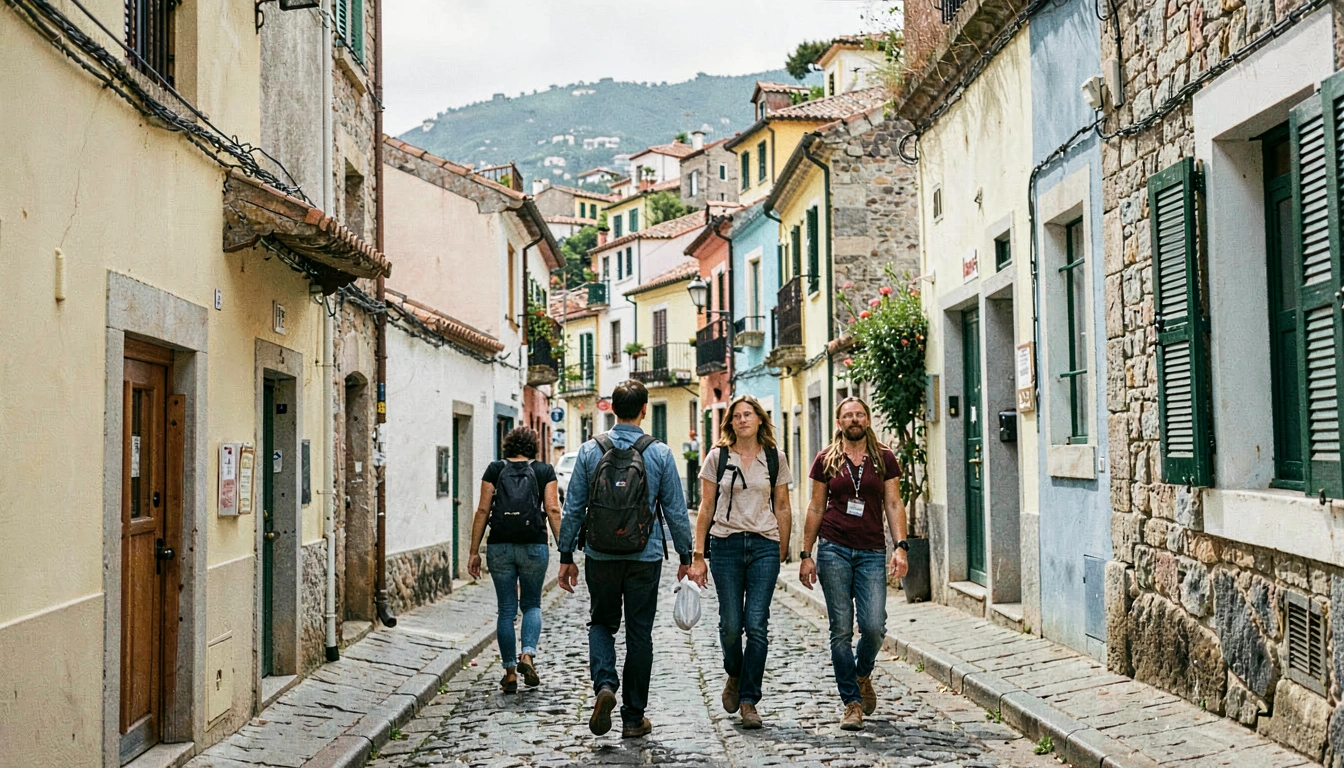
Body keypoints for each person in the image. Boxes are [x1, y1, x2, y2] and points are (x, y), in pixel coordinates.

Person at [557, 380, 694, 739]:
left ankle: (605, 683)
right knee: (639, 633)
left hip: (600, 554)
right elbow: (676, 510)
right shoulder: (659, 453)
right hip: (644, 555)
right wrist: (686, 555)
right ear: (644, 410)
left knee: (601, 623)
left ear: (612, 409)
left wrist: (566, 554)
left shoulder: (590, 450)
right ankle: (633, 718)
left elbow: (573, 508)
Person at [798, 396, 909, 731]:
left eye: (859, 414)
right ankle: (852, 703)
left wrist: (900, 547)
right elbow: (816, 507)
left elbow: (893, 502)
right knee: (841, 630)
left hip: (872, 551)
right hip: (834, 548)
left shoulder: (884, 458)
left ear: (868, 419)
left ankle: (862, 673)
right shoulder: (826, 460)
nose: (854, 419)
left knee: (874, 626)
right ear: (839, 423)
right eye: (848, 415)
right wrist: (806, 554)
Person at [687, 395, 791, 730]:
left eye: (748, 414)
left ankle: (749, 700)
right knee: (731, 625)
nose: (742, 420)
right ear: (730, 422)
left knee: (757, 624)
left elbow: (782, 505)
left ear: (760, 419)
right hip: (726, 545)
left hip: (764, 545)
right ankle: (734, 672)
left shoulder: (774, 457)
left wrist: (782, 549)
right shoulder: (717, 457)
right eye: (736, 416)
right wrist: (698, 555)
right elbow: (705, 507)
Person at [467, 427, 562, 694]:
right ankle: (527, 656)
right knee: (531, 604)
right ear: (533, 446)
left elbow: (483, 510)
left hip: (500, 546)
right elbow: (553, 509)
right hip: (534, 545)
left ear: (508, 446)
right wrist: (564, 549)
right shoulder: (544, 471)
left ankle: (509, 673)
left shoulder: (494, 470)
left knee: (506, 611)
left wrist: (474, 551)